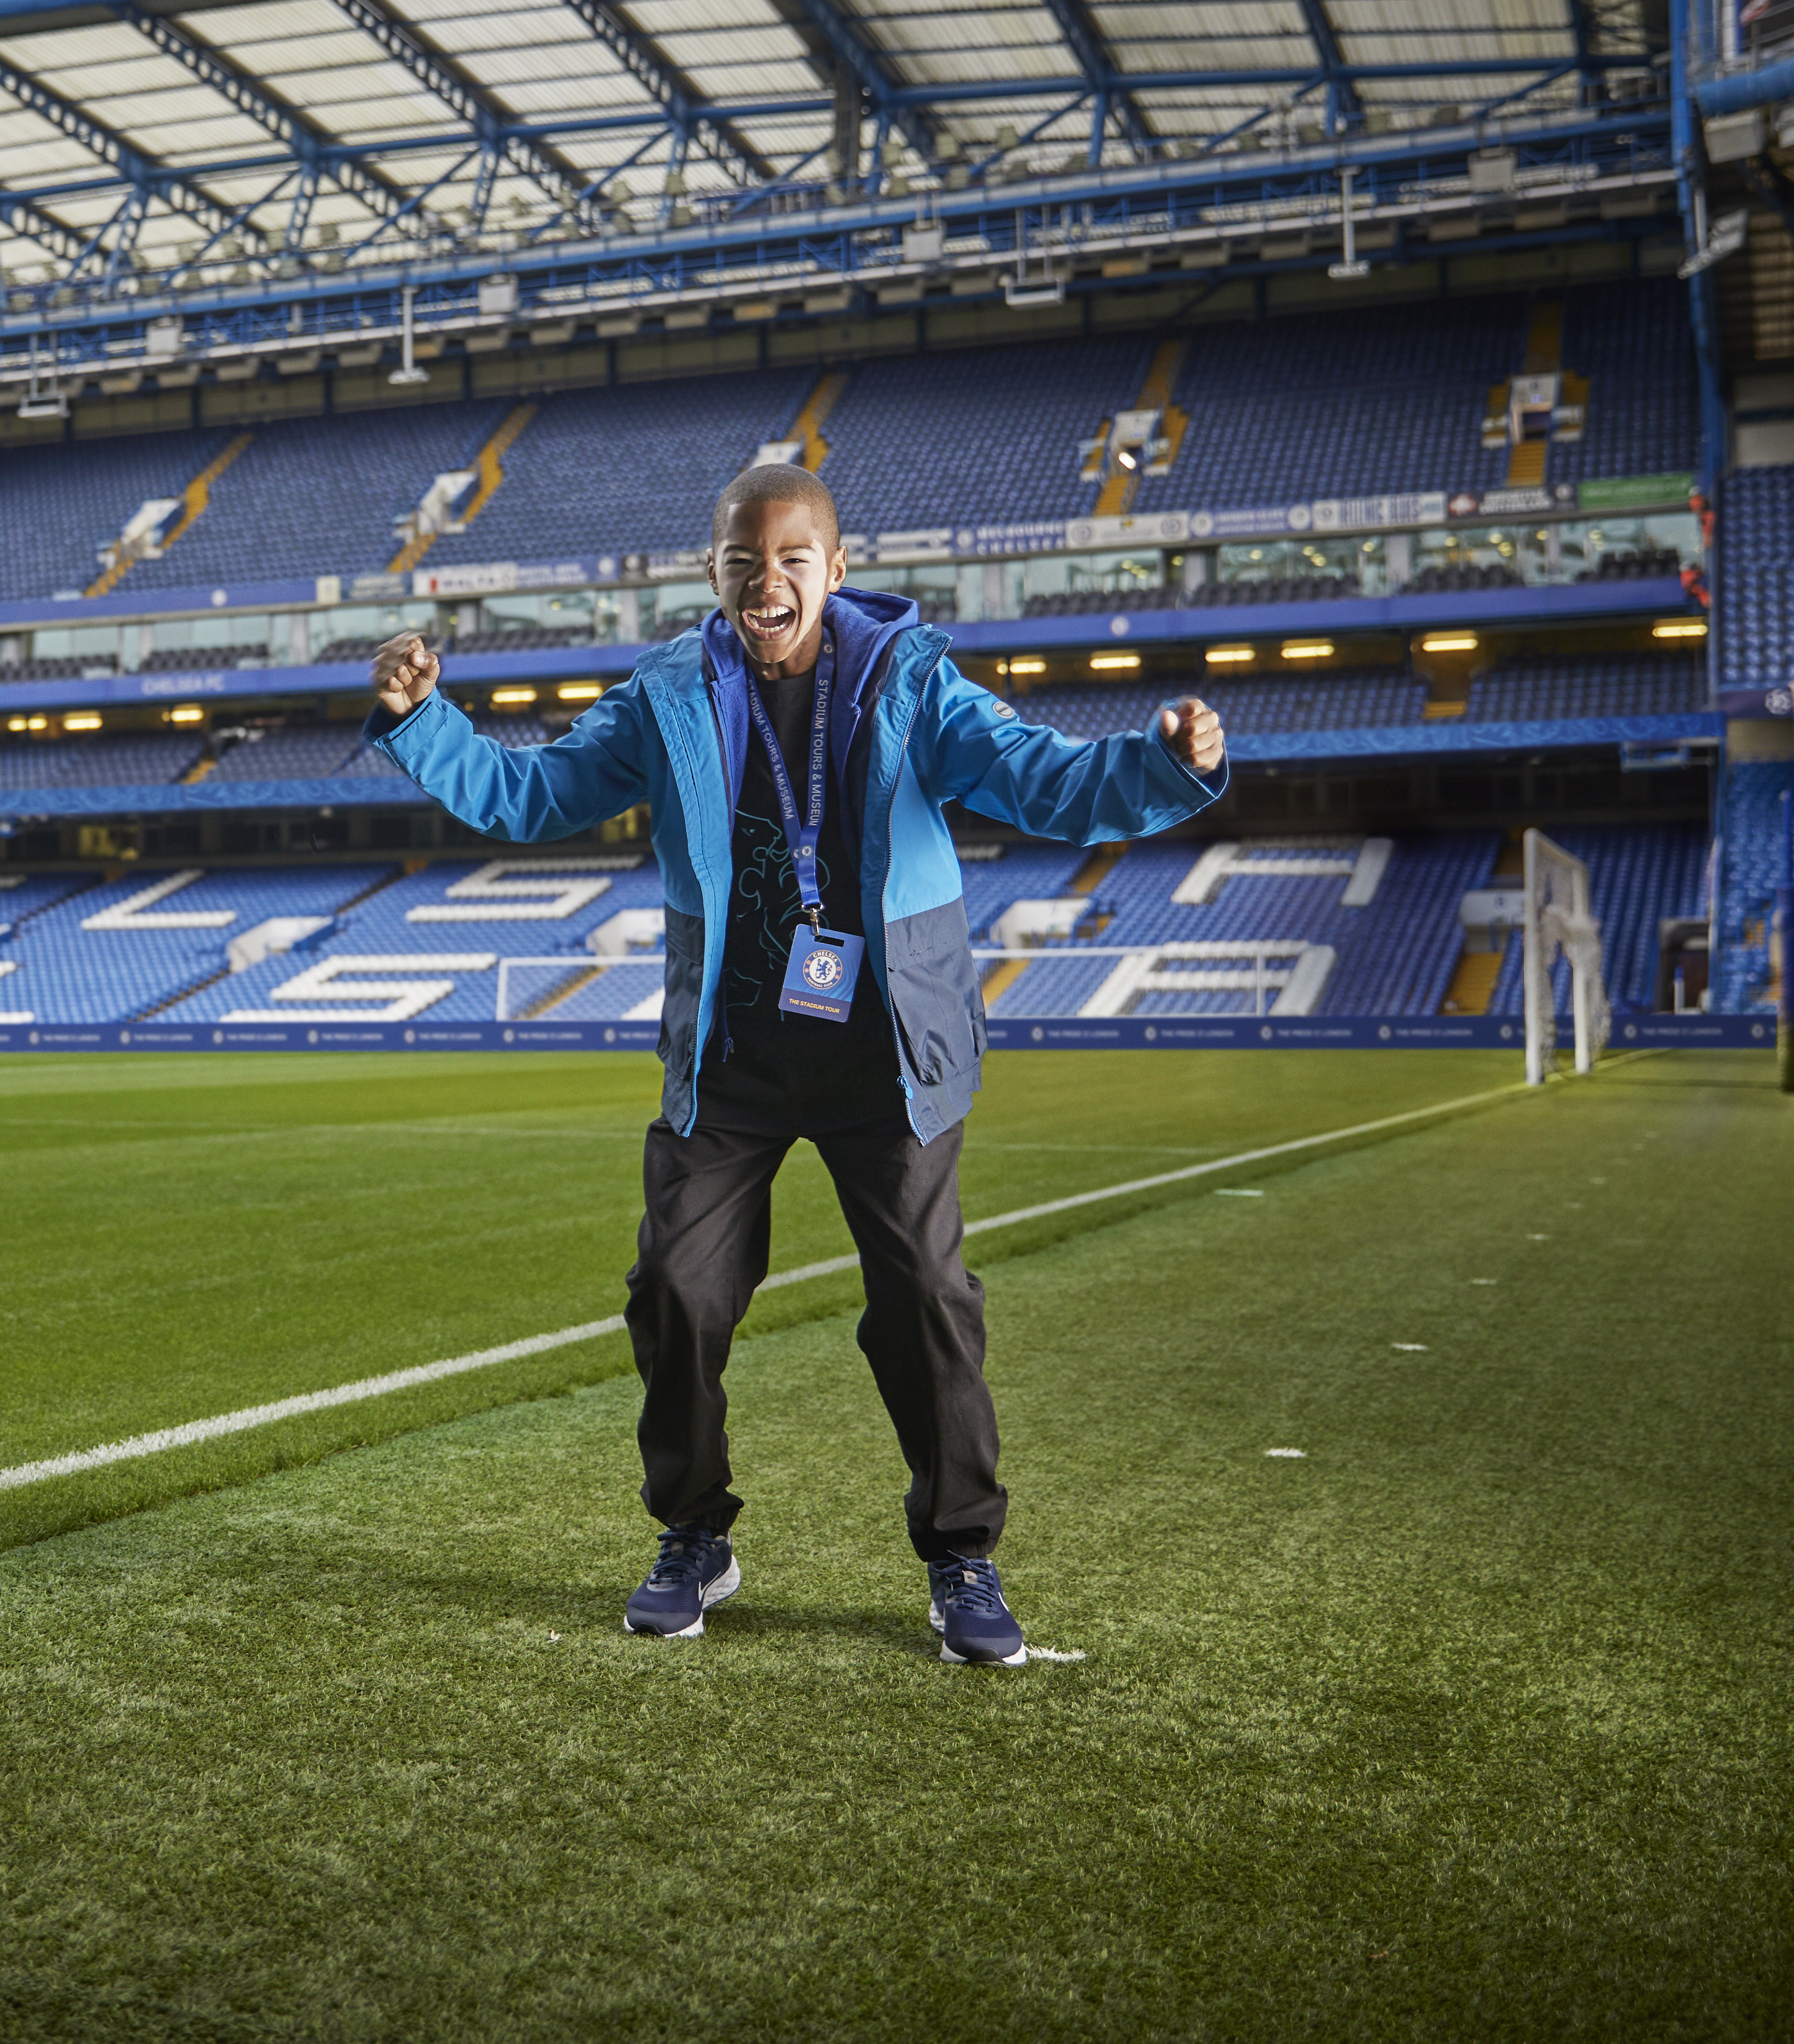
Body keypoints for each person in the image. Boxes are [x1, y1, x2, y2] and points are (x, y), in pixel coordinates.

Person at [365, 462, 1225, 1662]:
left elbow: (1039, 774)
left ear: (832, 566)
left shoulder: (911, 684)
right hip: (734, 1059)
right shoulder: (669, 695)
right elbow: (536, 793)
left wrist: (1161, 764)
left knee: (925, 1297)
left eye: (790, 561)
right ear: (712, 570)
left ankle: (961, 1555)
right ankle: (694, 1534)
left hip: (890, 1054)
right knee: (674, 1286)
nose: (764, 584)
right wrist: (423, 724)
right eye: (740, 562)